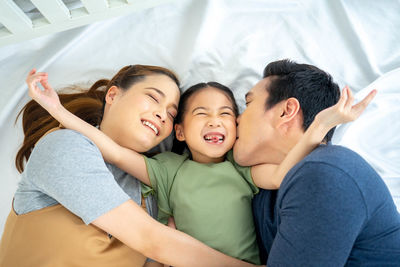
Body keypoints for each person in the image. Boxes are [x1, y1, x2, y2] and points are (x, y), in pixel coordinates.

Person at [25, 66, 374, 265]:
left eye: (228, 113)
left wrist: (320, 126)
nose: (216, 122)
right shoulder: (166, 169)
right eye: (199, 114)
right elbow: (114, 152)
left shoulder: (242, 171)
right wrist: (59, 112)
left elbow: (286, 174)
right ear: (180, 132)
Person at [0, 65, 263, 267]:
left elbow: (159, 251)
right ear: (113, 95)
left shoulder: (155, 191)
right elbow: (152, 240)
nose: (162, 113)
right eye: (153, 97)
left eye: (171, 113)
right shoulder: (64, 146)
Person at [233, 59, 400, 266]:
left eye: (247, 104)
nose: (235, 119)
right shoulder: (260, 189)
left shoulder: (327, 173)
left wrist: (182, 249)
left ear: (286, 111)